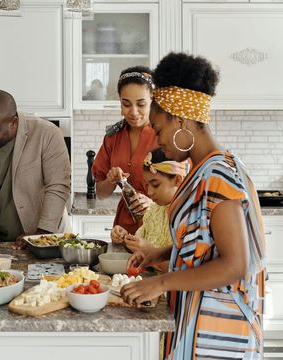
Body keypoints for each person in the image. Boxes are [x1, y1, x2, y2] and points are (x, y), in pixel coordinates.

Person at [121, 53, 267, 359]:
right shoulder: (206, 169)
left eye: (159, 129)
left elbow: (235, 264)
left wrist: (160, 283)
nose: (157, 140)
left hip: (219, 335)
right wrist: (161, 253)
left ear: (181, 120)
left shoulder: (217, 176)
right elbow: (205, 245)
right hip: (201, 320)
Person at [0, 89, 71, 246]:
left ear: (13, 123)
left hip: (47, 236)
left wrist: (41, 235)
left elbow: (58, 187)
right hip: (0, 241)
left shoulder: (48, 134)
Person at [91, 66, 158, 238]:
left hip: (159, 226)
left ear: (153, 100)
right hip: (123, 229)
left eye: (141, 104)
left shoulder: (164, 136)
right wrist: (110, 180)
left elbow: (183, 190)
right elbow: (101, 193)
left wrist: (153, 205)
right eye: (126, 104)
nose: (133, 112)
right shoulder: (113, 137)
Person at [115, 148, 188, 273]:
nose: (149, 192)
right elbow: (141, 247)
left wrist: (151, 253)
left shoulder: (188, 215)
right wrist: (125, 237)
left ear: (177, 180)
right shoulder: (153, 211)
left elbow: (187, 272)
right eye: (147, 185)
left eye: (155, 184)